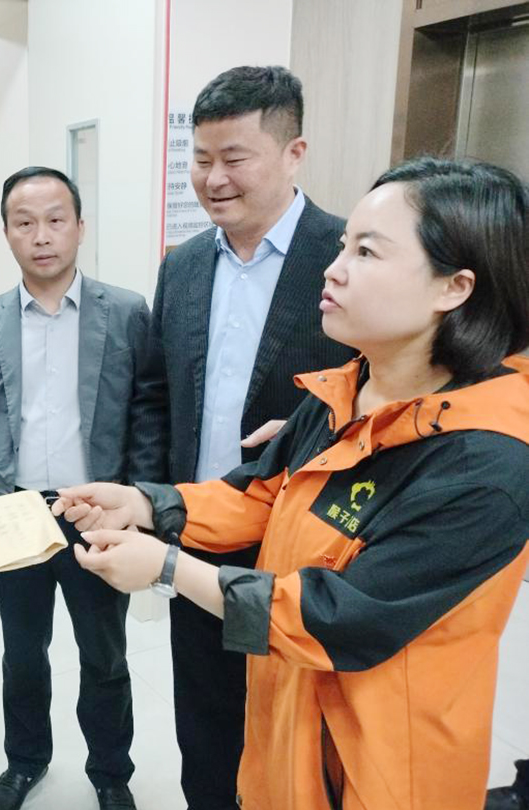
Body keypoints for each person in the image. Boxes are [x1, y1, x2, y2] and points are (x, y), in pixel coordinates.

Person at [54, 156, 529, 809]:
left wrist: (168, 568)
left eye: (367, 252)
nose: (333, 270)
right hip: (290, 719)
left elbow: (341, 618)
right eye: (343, 245)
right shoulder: (347, 390)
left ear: (454, 287)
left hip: (380, 766)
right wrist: (142, 503)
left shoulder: (486, 460)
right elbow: (260, 493)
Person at [128, 65, 355, 810]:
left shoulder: (345, 258)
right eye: (201, 159)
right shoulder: (185, 265)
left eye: (235, 158)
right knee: (205, 719)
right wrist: (153, 499)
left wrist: (315, 428)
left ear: (294, 154)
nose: (213, 179)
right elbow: (157, 393)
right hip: (196, 530)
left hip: (306, 548)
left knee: (295, 736)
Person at [0, 167, 154, 810]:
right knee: (22, 653)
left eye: (56, 220)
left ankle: (111, 773)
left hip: (97, 512)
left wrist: (141, 506)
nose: (42, 236)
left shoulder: (125, 312)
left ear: (80, 227)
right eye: (25, 222)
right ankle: (25, 761)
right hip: (13, 514)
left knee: (105, 653)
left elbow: (148, 413)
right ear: (7, 233)